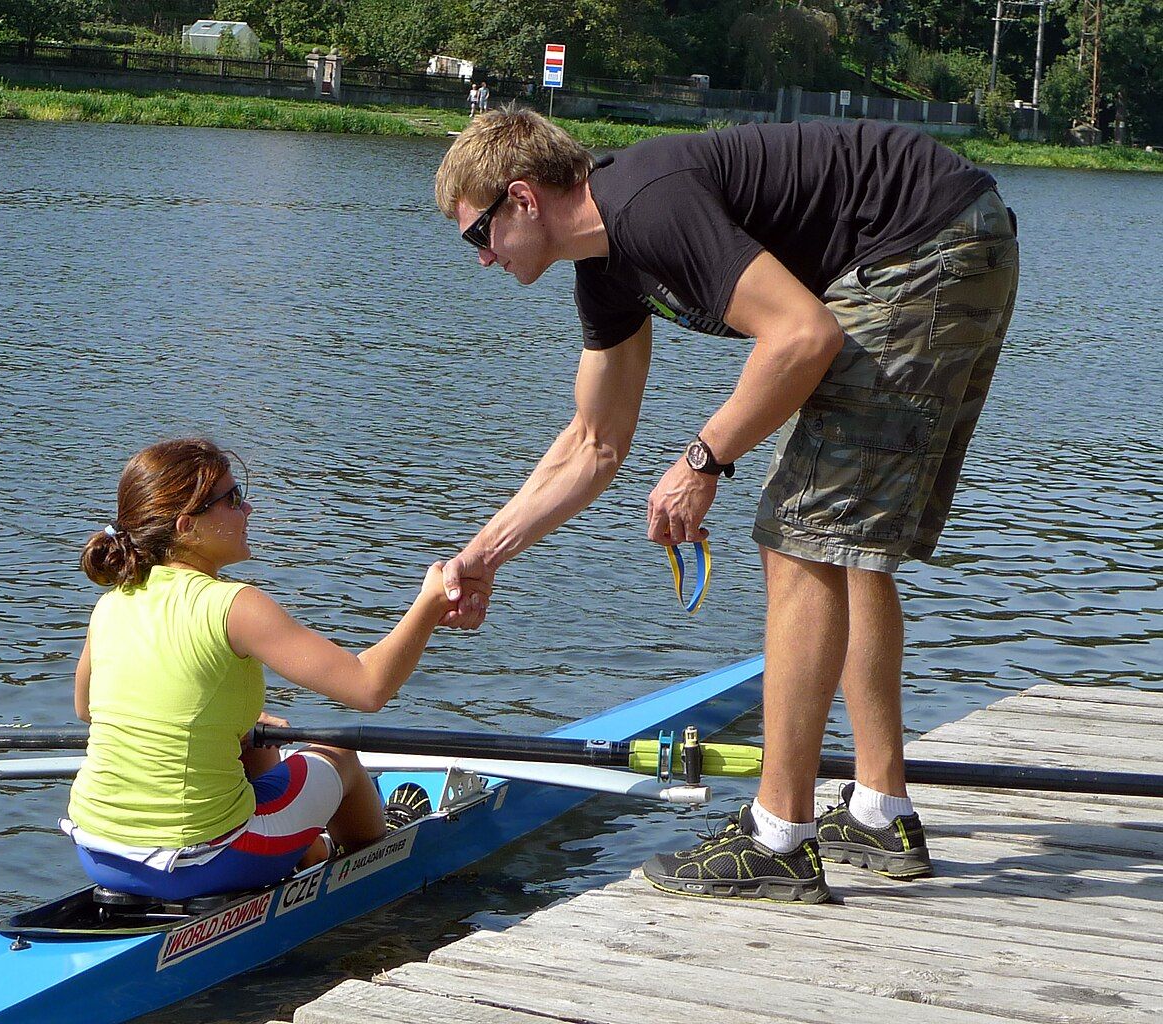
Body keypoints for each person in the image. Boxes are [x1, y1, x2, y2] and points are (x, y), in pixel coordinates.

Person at [433, 109, 1018, 903]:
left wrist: (703, 459)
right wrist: (482, 557)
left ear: (524, 198)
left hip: (921, 243)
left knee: (799, 538)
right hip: (950, 234)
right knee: (837, 536)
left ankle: (780, 835)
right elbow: (594, 443)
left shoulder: (647, 204)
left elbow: (801, 336)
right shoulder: (606, 269)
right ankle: (880, 810)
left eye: (478, 236)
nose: (480, 261)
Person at [63, 438, 450, 899]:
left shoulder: (111, 603)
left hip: (97, 849)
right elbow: (368, 688)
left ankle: (307, 851)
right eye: (232, 498)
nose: (247, 508)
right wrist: (431, 603)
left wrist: (230, 723)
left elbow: (86, 709)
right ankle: (370, 868)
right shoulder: (233, 606)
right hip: (199, 862)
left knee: (255, 746)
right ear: (187, 526)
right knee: (338, 754)